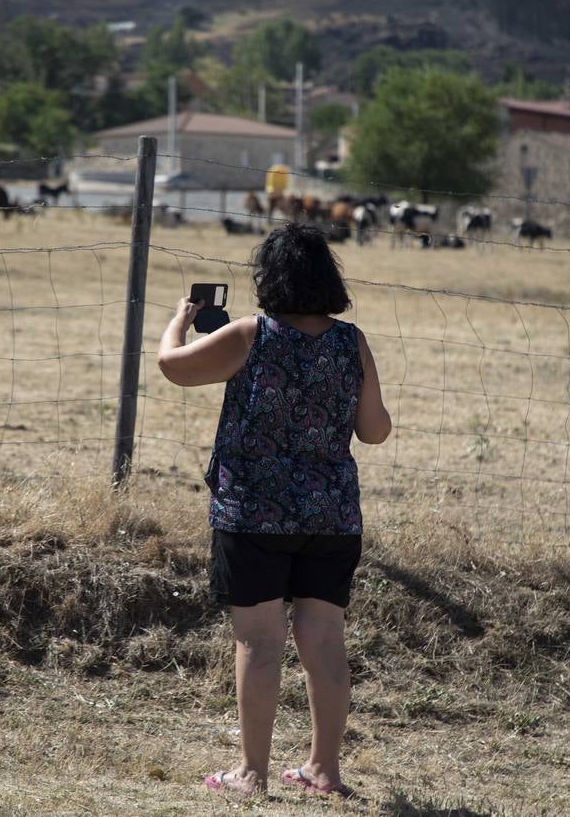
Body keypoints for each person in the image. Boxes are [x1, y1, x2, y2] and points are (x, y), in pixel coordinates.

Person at [157, 222, 392, 799]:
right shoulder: (351, 341)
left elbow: (172, 365)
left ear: (270, 279)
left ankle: (251, 775)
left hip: (253, 515)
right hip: (332, 517)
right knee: (325, 642)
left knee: (260, 643)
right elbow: (376, 431)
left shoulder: (250, 335)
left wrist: (180, 320)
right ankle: (324, 772)